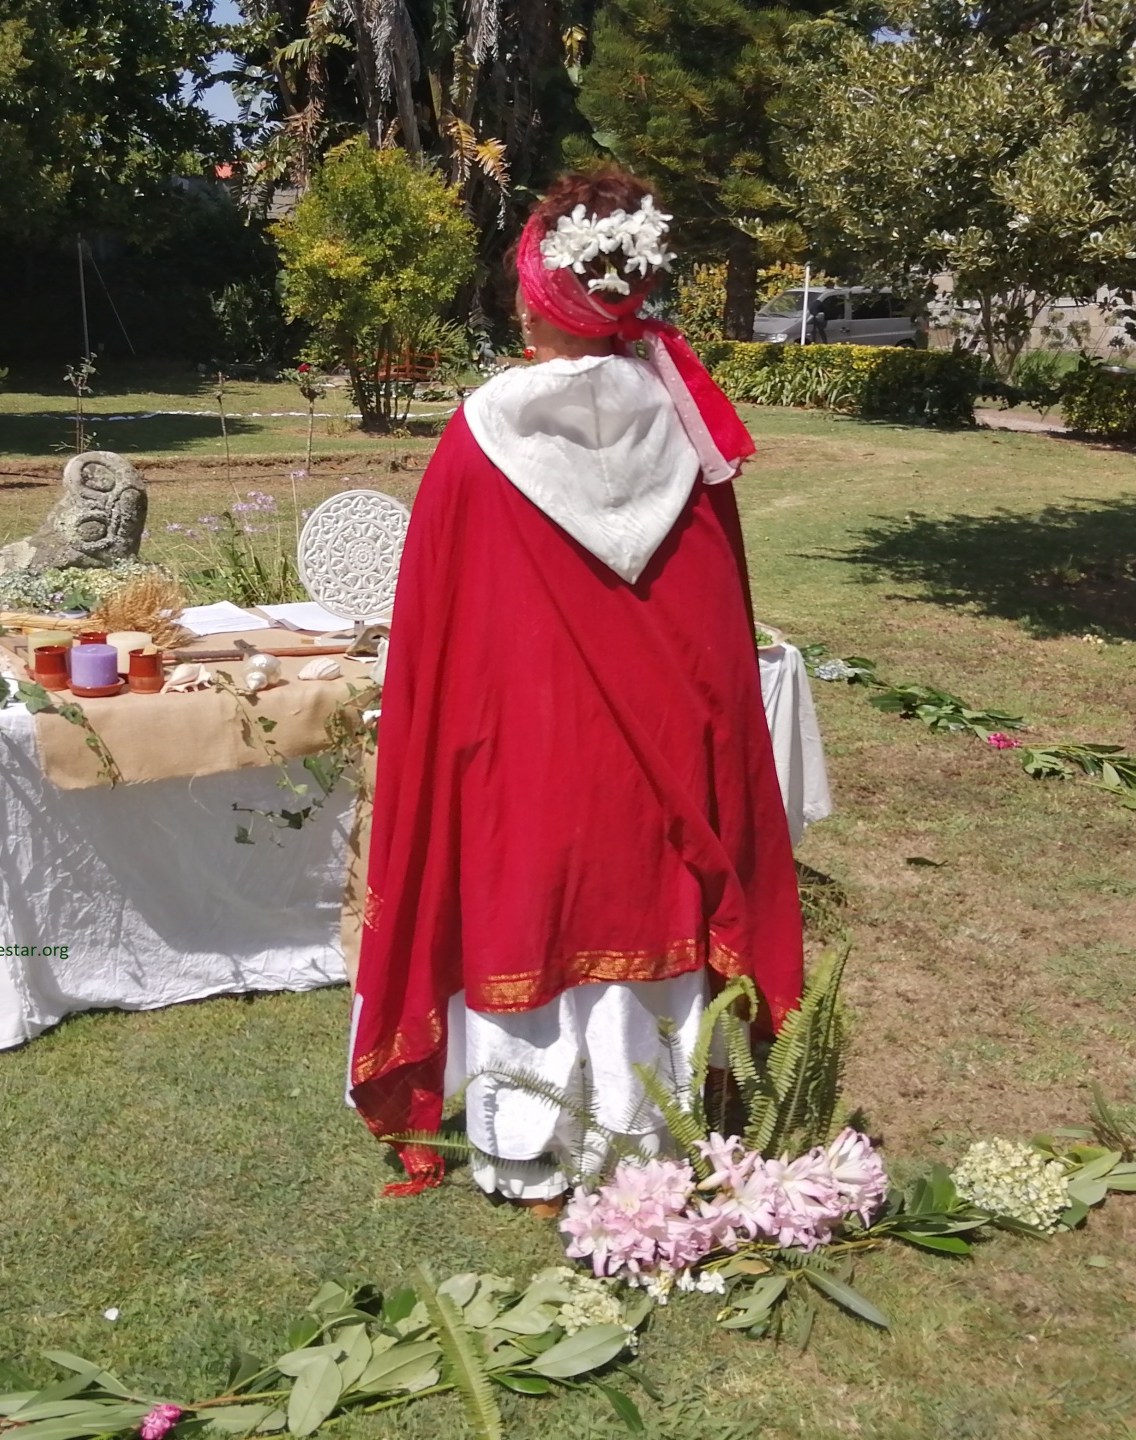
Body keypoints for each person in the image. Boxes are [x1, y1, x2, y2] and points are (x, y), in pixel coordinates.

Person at [349, 168, 804, 1202]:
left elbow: (434, 631)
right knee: (648, 917)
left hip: (525, 758)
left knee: (536, 917)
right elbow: (714, 631)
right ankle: (647, 1140)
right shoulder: (682, 430)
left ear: (536, 291)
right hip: (661, 772)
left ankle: (524, 1155)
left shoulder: (480, 436)